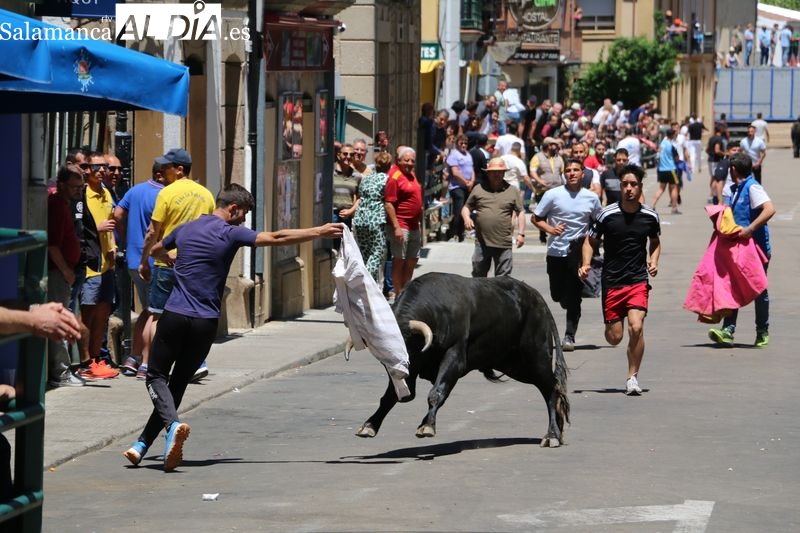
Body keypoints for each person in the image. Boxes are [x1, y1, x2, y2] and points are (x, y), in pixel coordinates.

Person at [123, 184, 343, 471]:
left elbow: (154, 248)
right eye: (244, 215)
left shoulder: (186, 229)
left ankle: (171, 426)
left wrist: (167, 259)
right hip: (206, 322)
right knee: (176, 384)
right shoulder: (230, 233)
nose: (244, 221)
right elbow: (276, 237)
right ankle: (141, 445)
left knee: (155, 376)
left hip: (176, 315)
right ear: (233, 209)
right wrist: (319, 232)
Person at [580, 164, 661, 396]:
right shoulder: (607, 215)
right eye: (625, 184)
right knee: (615, 337)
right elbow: (590, 241)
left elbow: (654, 242)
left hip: (637, 279)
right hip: (612, 281)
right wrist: (586, 263)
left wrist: (654, 261)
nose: (628, 189)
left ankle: (632, 377)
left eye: (633, 184)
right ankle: (613, 328)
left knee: (636, 327)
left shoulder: (649, 216)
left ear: (640, 187)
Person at [139, 148, 216, 382]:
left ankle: (151, 366)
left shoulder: (167, 193)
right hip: (195, 266)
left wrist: (145, 260)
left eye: (166, 167)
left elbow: (153, 231)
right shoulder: (207, 195)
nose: (162, 171)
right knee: (191, 315)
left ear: (179, 169)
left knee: (157, 316)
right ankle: (191, 362)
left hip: (166, 263)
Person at [707, 153, 775, 349]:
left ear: (733, 170)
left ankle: (762, 330)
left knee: (759, 290)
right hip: (738, 249)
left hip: (757, 249)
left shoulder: (753, 187)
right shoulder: (735, 189)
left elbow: (769, 209)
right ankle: (728, 329)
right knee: (732, 286)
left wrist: (751, 228)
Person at [533, 158, 601, 351]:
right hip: (556, 252)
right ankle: (564, 299)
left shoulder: (591, 197)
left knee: (574, 296)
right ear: (564, 174)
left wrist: (594, 242)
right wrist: (550, 229)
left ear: (583, 173)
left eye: (576, 170)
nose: (572, 173)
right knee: (557, 294)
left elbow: (598, 222)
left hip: (578, 252)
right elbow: (536, 218)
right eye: (568, 170)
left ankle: (569, 336)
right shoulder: (552, 195)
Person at [113, 161, 165, 378]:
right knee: (155, 313)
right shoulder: (164, 195)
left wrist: (126, 239)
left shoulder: (134, 190)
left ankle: (133, 358)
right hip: (152, 262)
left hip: (133, 260)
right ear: (161, 174)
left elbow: (117, 214)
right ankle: (145, 362)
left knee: (147, 310)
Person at [78, 153, 120, 380]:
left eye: (105, 167)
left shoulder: (106, 193)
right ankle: (85, 362)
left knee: (103, 313)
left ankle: (96, 360)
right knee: (88, 314)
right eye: (97, 167)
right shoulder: (82, 194)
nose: (102, 171)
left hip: (107, 264)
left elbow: (111, 226)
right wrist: (98, 226)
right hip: (90, 265)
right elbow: (79, 228)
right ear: (87, 169)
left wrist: (112, 247)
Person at [46, 164, 86, 387]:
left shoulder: (64, 205)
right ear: (61, 185)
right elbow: (53, 246)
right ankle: (60, 373)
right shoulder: (58, 206)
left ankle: (61, 371)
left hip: (63, 273)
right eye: (74, 187)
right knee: (60, 321)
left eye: (81, 187)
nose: (78, 191)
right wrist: (67, 271)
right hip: (58, 274)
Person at [462, 158, 525, 277]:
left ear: (504, 173)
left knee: (503, 279)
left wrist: (521, 234)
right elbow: (466, 207)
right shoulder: (478, 189)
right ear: (488, 173)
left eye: (500, 171)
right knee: (478, 275)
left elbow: (520, 212)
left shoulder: (512, 191)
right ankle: (480, 296)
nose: (497, 174)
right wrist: (467, 218)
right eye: (494, 171)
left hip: (503, 242)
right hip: (482, 242)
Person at [384, 147, 423, 295]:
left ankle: (406, 290)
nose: (410, 163)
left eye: (412, 161)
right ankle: (399, 293)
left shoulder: (411, 175)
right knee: (399, 259)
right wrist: (396, 227)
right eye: (406, 160)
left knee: (412, 259)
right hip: (401, 224)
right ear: (398, 160)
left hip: (413, 225)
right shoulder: (394, 177)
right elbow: (388, 204)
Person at [352, 151, 391, 283]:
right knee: (376, 254)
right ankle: (364, 280)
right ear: (389, 166)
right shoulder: (387, 180)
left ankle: (369, 290)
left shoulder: (366, 178)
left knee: (365, 254)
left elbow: (360, 195)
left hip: (360, 218)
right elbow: (388, 201)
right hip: (376, 219)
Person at [445, 134, 475, 242]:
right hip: (457, 187)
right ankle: (452, 233)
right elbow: (455, 172)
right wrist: (466, 182)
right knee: (458, 211)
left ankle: (461, 233)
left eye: (465, 143)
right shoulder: (454, 155)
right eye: (461, 143)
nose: (463, 145)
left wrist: (472, 181)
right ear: (457, 143)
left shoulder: (468, 155)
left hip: (467, 186)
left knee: (466, 211)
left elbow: (472, 169)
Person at [651, 127, 681, 214]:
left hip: (662, 169)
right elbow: (677, 159)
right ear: (672, 135)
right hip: (671, 169)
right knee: (674, 188)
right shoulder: (672, 145)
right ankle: (674, 208)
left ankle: (652, 205)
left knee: (661, 188)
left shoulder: (662, 144)